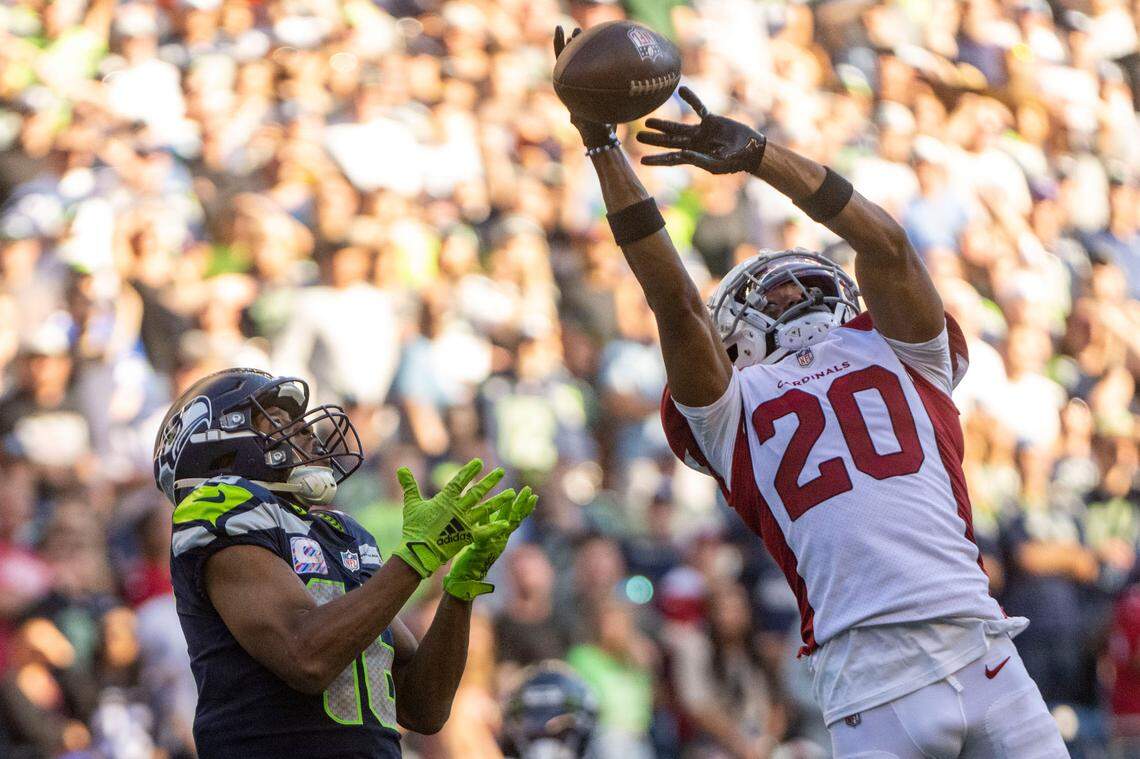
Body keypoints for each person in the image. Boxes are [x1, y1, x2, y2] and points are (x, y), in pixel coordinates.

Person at [552, 27, 1066, 758]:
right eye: (772, 287)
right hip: (879, 678)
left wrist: (761, 155)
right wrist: (603, 148)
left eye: (799, 279)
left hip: (972, 648)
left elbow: (885, 246)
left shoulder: (894, 345)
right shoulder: (741, 400)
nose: (792, 290)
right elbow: (677, 304)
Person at [151, 367, 536, 757]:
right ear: (219, 445)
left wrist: (459, 592)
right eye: (279, 421)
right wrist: (416, 559)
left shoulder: (342, 532)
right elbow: (305, 656)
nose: (304, 432)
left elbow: (424, 707)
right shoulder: (217, 509)